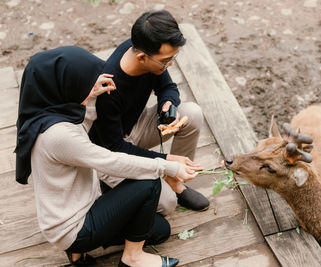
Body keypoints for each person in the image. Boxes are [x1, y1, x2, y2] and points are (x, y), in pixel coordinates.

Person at [15, 46, 196, 267]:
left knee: (159, 231)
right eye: (84, 83)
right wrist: (167, 166)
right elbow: (112, 161)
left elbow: (81, 127)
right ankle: (132, 259)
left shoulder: (49, 114)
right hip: (73, 227)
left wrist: (90, 98)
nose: (88, 85)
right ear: (65, 87)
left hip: (78, 209)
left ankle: (77, 253)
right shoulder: (57, 136)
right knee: (149, 183)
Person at [89, 10, 210, 213]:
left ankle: (175, 179)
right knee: (166, 204)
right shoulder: (108, 88)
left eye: (172, 57)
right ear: (142, 57)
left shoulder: (147, 51)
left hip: (135, 126)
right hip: (110, 152)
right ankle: (110, 183)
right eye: (165, 60)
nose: (169, 64)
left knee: (193, 113)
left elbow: (168, 88)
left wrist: (167, 104)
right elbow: (116, 147)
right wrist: (167, 160)